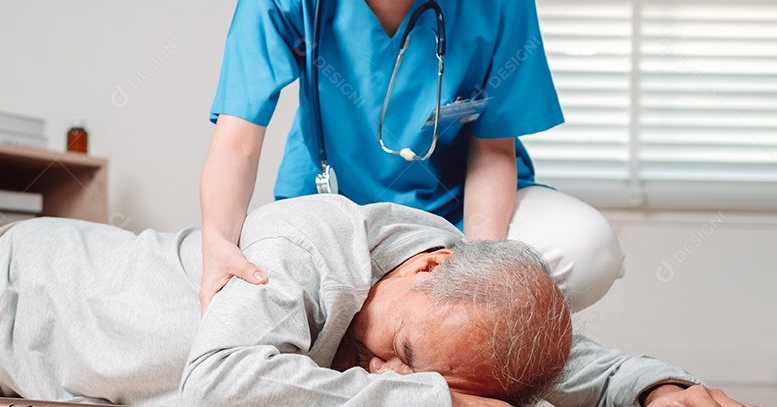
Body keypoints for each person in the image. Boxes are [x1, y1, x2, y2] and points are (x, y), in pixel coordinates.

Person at [0, 195, 775, 407]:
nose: (386, 364)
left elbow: (535, 358)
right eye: (403, 347)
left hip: (27, 372)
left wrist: (653, 384)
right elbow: (221, 376)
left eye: (427, 369)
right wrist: (423, 394)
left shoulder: (447, 296)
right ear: (425, 264)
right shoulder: (309, 242)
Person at [200, 0, 625, 312]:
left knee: (587, 247)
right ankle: (403, 331)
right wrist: (217, 240)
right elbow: (238, 141)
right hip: (339, 212)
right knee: (267, 284)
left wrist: (476, 270)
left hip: (459, 215)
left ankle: (401, 330)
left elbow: (494, 149)